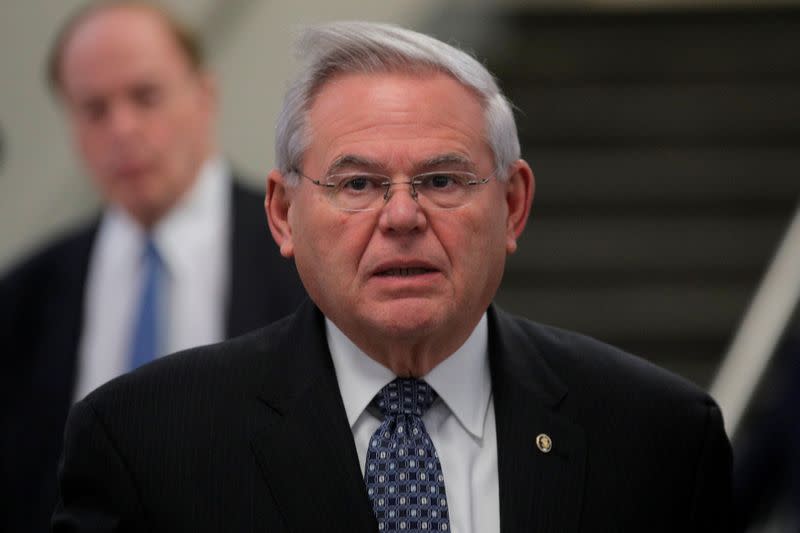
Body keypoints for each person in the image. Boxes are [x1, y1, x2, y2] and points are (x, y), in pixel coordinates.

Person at [51, 21, 732, 532]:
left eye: (442, 179)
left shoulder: (658, 436)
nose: (402, 215)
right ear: (285, 214)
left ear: (514, 205)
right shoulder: (144, 442)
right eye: (357, 183)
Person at [0, 2, 305, 532]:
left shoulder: (307, 257)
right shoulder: (24, 297)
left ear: (204, 96)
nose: (122, 129)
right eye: (94, 109)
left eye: (145, 97)